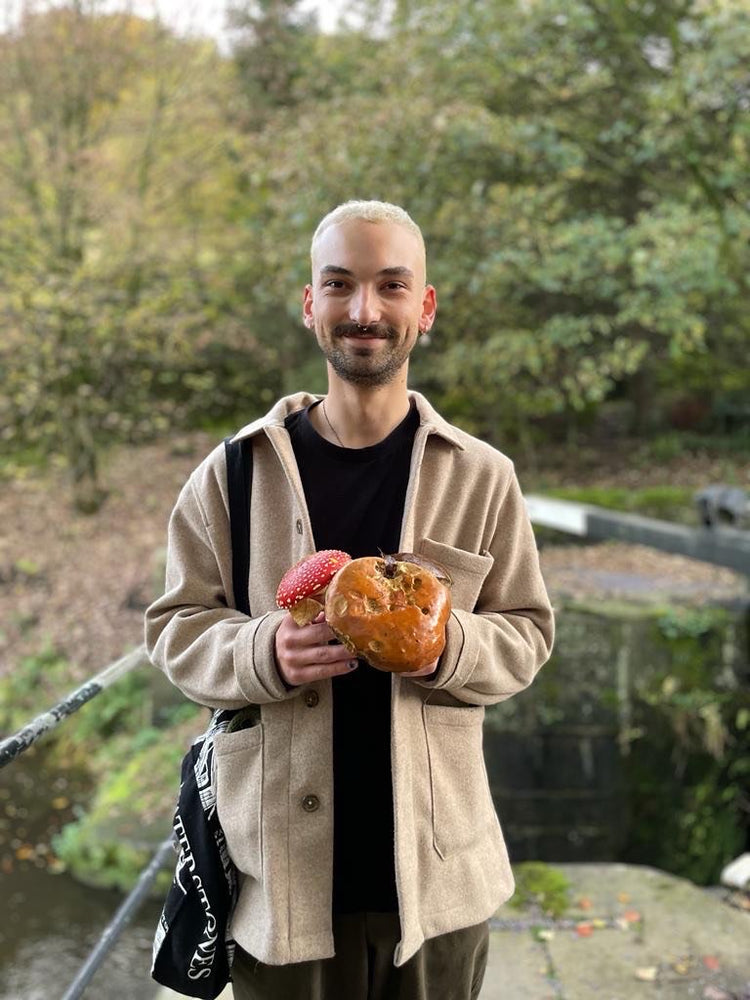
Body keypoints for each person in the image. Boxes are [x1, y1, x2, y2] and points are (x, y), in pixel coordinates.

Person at [145, 200, 554, 1000]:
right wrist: (263, 652)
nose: (364, 310)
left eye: (390, 286)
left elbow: (529, 634)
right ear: (310, 304)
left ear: (424, 308)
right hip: (279, 892)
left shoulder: (482, 477)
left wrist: (451, 648)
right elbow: (173, 630)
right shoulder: (233, 475)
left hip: (438, 892)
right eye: (340, 284)